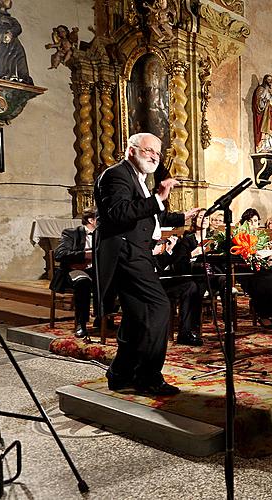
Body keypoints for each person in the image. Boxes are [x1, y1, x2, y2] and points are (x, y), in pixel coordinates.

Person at [95, 132, 200, 396]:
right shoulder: (116, 175)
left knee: (137, 317)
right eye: (149, 150)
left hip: (137, 251)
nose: (154, 156)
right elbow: (119, 213)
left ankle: (119, 374)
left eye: (157, 152)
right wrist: (158, 199)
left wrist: (183, 216)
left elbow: (149, 217)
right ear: (131, 150)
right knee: (158, 307)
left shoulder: (138, 179)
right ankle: (148, 377)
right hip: (126, 253)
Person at [235, 209, 272, 327]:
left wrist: (268, 252)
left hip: (259, 269)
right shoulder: (239, 236)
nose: (253, 224)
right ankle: (263, 315)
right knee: (269, 280)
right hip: (245, 271)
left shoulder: (259, 236)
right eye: (250, 221)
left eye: (255, 221)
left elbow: (263, 260)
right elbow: (238, 257)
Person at [50, 207, 100, 338]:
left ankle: (103, 317)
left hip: (96, 270)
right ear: (91, 220)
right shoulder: (71, 233)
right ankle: (81, 323)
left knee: (116, 279)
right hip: (75, 270)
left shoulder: (104, 235)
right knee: (83, 282)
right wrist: (85, 255)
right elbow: (59, 254)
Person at [0, 0, 32, 84]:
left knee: (19, 50)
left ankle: (22, 77)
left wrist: (11, 33)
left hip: (13, 43)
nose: (10, 1)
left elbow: (18, 28)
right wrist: (1, 21)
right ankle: (1, 75)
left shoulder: (11, 18)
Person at [252, 74, 272, 152]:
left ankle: (269, 145)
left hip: (269, 114)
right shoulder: (260, 89)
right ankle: (262, 145)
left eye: (271, 80)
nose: (270, 82)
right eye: (269, 80)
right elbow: (258, 103)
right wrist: (267, 102)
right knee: (264, 129)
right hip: (263, 115)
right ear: (265, 80)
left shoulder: (269, 93)